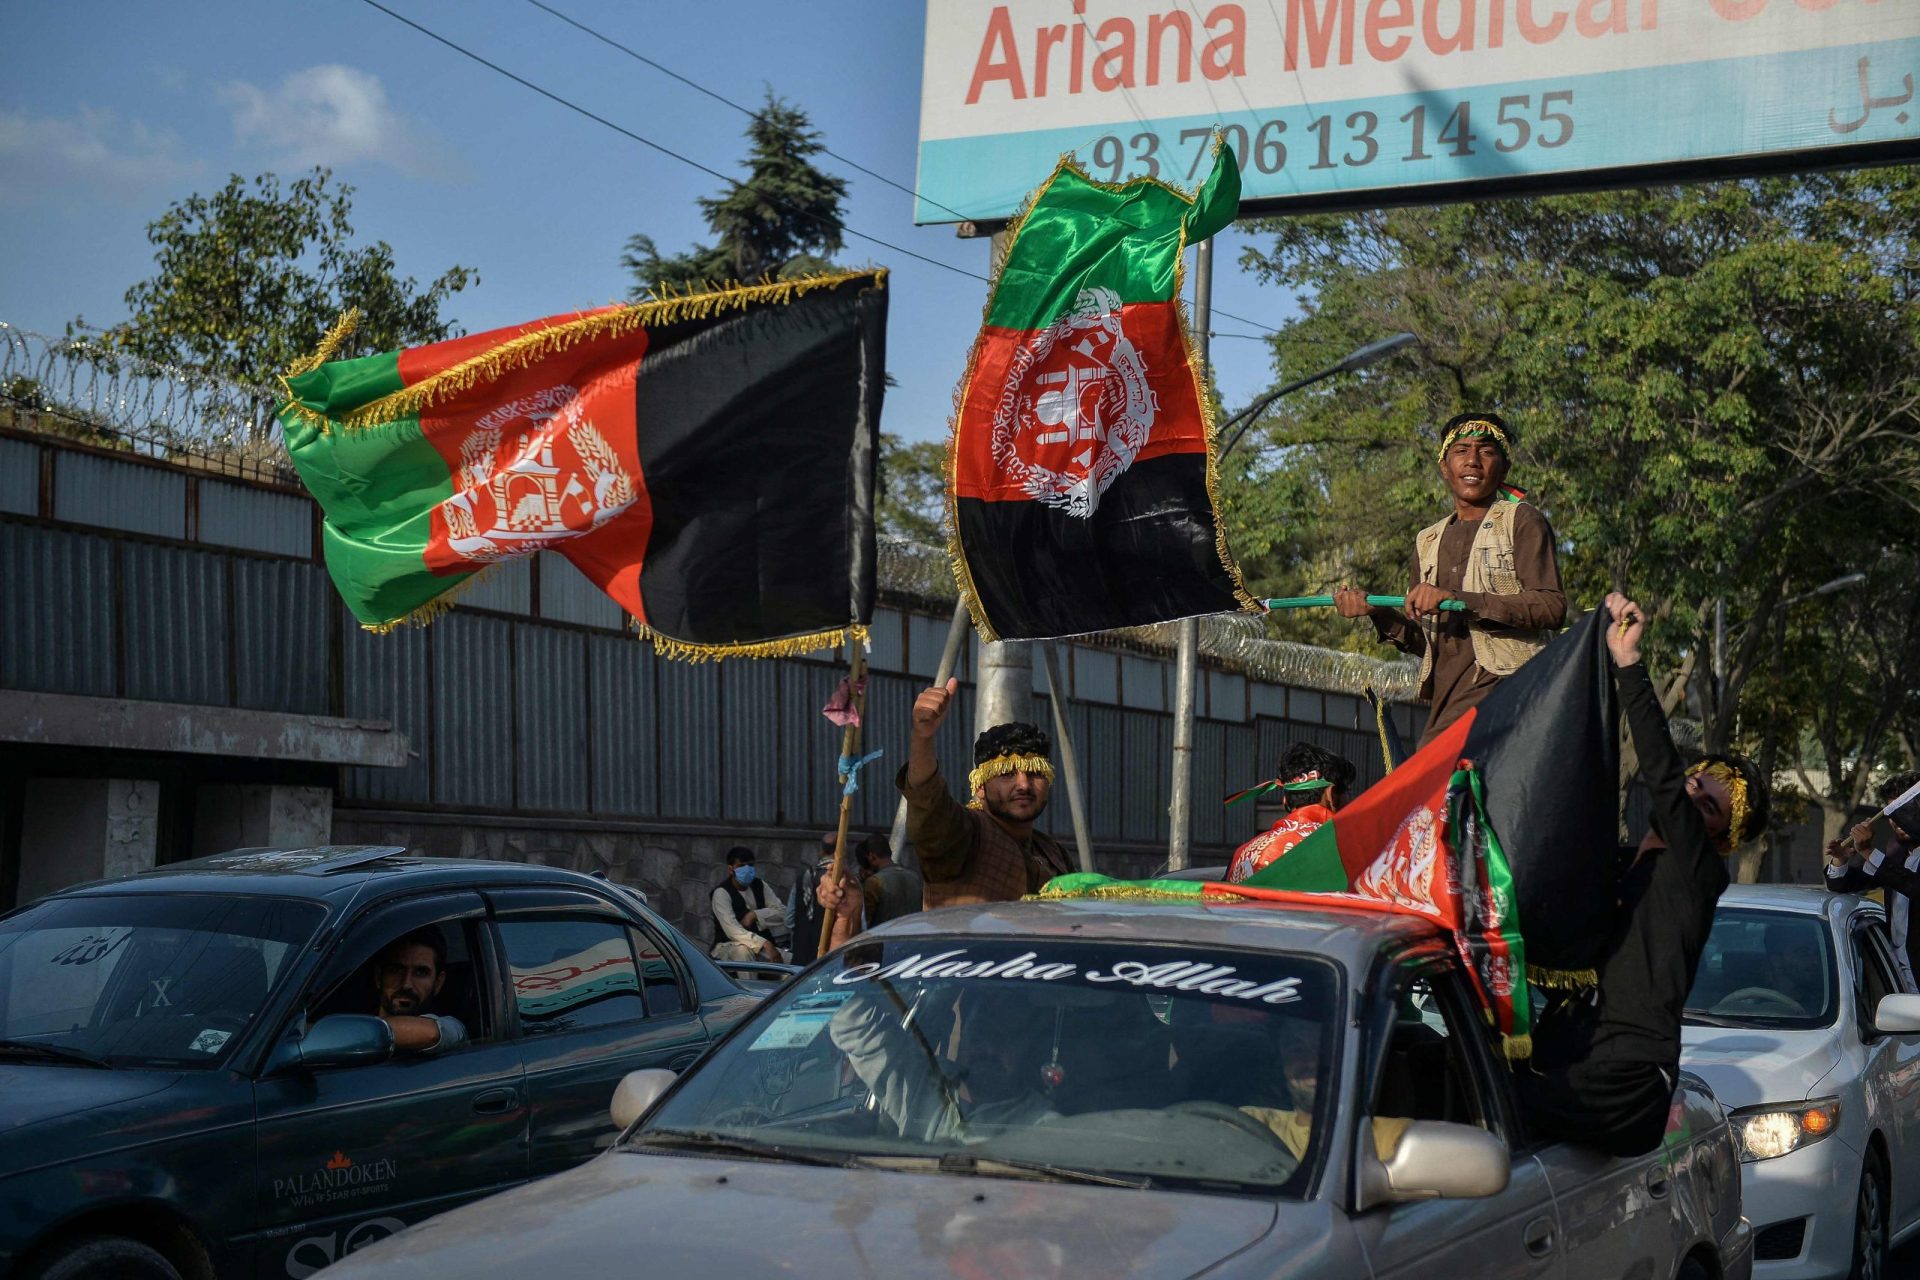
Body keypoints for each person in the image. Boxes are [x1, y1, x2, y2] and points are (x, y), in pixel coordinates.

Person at [1513, 592, 1769, 1157]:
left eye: (1706, 804)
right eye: (1697, 782)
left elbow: (1659, 766)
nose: (1691, 790)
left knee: (1498, 1104)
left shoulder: (1701, 873)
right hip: (1575, 1049)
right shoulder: (1616, 862)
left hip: (1627, 1083)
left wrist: (1628, 664)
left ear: (1719, 835)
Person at [1334, 412, 1566, 748]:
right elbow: (1426, 640)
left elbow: (1551, 605)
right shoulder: (1427, 540)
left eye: (1486, 451)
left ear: (1504, 467)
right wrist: (1375, 612)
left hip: (1510, 694)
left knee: (1426, 794)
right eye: (1461, 451)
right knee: (1426, 795)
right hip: (1446, 703)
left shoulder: (1522, 520)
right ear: (1445, 467)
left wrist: (1459, 599)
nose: (1473, 461)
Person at [828, 981, 1056, 1142]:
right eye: (978, 1034)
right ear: (964, 1035)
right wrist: (845, 924)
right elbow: (850, 1022)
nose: (987, 1049)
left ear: (1030, 1045)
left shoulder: (1049, 1129)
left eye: (1003, 1038)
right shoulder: (926, 1083)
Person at [1825, 771, 1920, 989]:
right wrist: (1840, 859)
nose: (1898, 822)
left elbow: (1913, 886)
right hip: (1895, 979)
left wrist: (1867, 850)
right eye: (1893, 814)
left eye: (1906, 812)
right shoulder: (1897, 854)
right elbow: (1844, 885)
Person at [1226, 743, 1357, 883]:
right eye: (1347, 793)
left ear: (1285, 801)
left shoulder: (1242, 853)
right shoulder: (1343, 849)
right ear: (1331, 795)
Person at [372, 929, 468, 1055]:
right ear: (379, 977)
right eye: (396, 970)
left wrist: (349, 1033)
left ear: (438, 983)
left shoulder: (452, 1028)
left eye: (420, 972)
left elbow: (431, 1033)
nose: (406, 985)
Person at [710, 846, 791, 964]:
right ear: (730, 869)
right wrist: (764, 943)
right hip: (728, 945)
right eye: (741, 866)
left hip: (760, 946)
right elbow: (732, 931)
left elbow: (783, 912)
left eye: (750, 865)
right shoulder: (721, 893)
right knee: (743, 952)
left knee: (792, 962)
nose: (747, 869)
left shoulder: (759, 885)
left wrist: (755, 915)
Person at [787, 833, 840, 968]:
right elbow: (860, 924)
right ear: (841, 852)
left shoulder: (804, 877)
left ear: (821, 851)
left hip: (801, 957)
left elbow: (789, 919)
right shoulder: (847, 882)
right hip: (833, 958)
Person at [857, 833, 924, 927]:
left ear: (872, 856)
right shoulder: (914, 877)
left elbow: (864, 921)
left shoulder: (874, 882)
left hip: (885, 938)